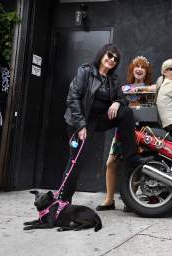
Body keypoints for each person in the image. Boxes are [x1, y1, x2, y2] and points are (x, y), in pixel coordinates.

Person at [60, 44, 141, 203]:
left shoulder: (113, 79)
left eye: (115, 59)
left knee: (126, 112)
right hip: (80, 121)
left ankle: (130, 157)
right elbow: (72, 98)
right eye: (109, 56)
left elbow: (123, 97)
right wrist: (81, 125)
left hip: (99, 120)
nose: (112, 60)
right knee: (76, 160)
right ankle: (63, 200)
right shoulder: (86, 71)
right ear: (102, 55)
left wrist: (117, 102)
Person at [96, 56, 154, 211]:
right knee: (111, 163)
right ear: (132, 69)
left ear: (146, 71)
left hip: (142, 131)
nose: (139, 69)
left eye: (143, 67)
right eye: (137, 66)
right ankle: (109, 199)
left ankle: (131, 200)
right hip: (122, 130)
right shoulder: (123, 88)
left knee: (134, 164)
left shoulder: (152, 88)